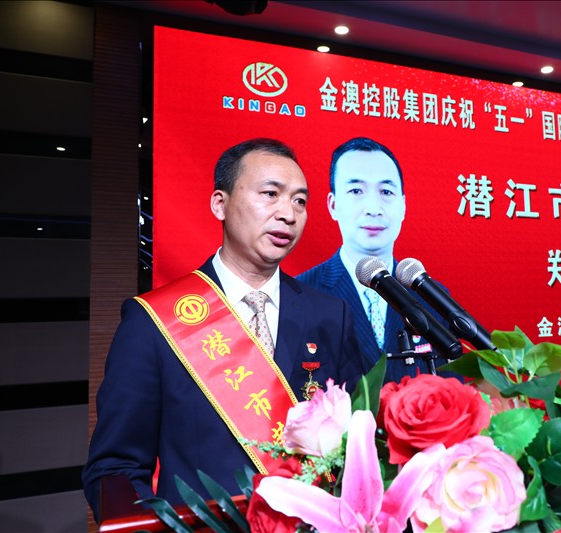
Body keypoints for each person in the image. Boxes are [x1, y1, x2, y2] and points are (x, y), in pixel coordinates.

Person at [82, 138, 363, 522]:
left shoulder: (330, 315)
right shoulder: (153, 322)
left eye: (300, 201)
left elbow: (357, 445)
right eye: (270, 194)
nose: (288, 214)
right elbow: (115, 469)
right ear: (220, 204)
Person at [298, 137, 456, 383]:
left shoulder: (431, 296)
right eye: (356, 191)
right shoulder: (300, 294)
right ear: (333, 205)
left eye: (386, 192)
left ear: (403, 206)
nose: (373, 207)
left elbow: (452, 390)